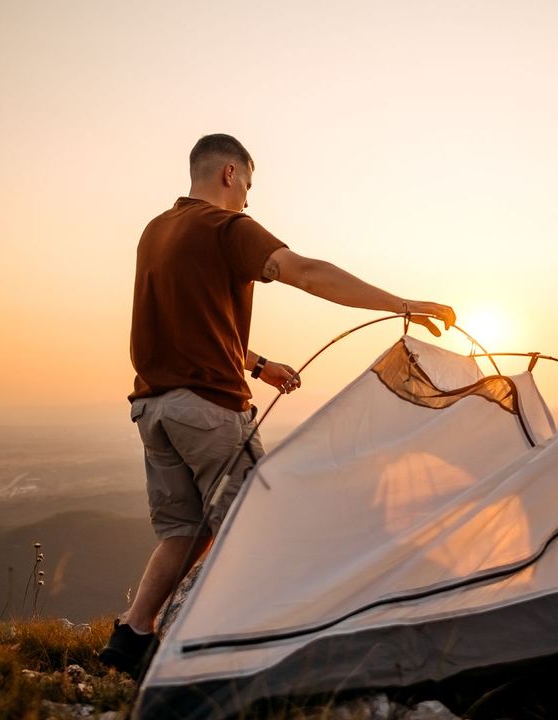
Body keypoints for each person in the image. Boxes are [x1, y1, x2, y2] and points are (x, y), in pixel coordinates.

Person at [100, 134, 456, 675]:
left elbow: (190, 323)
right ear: (228, 173)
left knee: (184, 532)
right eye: (247, 183)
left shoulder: (157, 230)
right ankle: (237, 656)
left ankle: (132, 635)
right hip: (208, 411)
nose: (248, 197)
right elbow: (306, 272)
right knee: (256, 526)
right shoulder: (227, 227)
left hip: (154, 410)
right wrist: (400, 304)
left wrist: (257, 364)